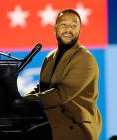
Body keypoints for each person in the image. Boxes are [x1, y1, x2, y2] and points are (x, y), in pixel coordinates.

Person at [23, 9, 102, 140]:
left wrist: (22, 103)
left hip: (75, 126)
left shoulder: (85, 59)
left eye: (73, 26)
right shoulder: (50, 57)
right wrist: (19, 100)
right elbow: (42, 88)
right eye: (64, 25)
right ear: (54, 29)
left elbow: (60, 94)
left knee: (25, 135)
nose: (68, 30)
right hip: (53, 119)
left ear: (80, 31)